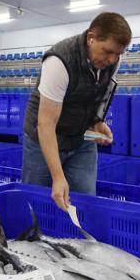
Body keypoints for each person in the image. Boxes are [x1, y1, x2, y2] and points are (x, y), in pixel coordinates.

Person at [22, 12, 132, 211]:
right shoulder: (59, 61)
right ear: (91, 38)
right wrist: (57, 177)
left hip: (81, 140)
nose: (112, 59)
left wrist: (97, 121)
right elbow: (46, 124)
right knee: (36, 204)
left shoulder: (112, 60)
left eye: (118, 54)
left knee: (84, 202)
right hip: (44, 139)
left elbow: (101, 93)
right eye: (107, 51)